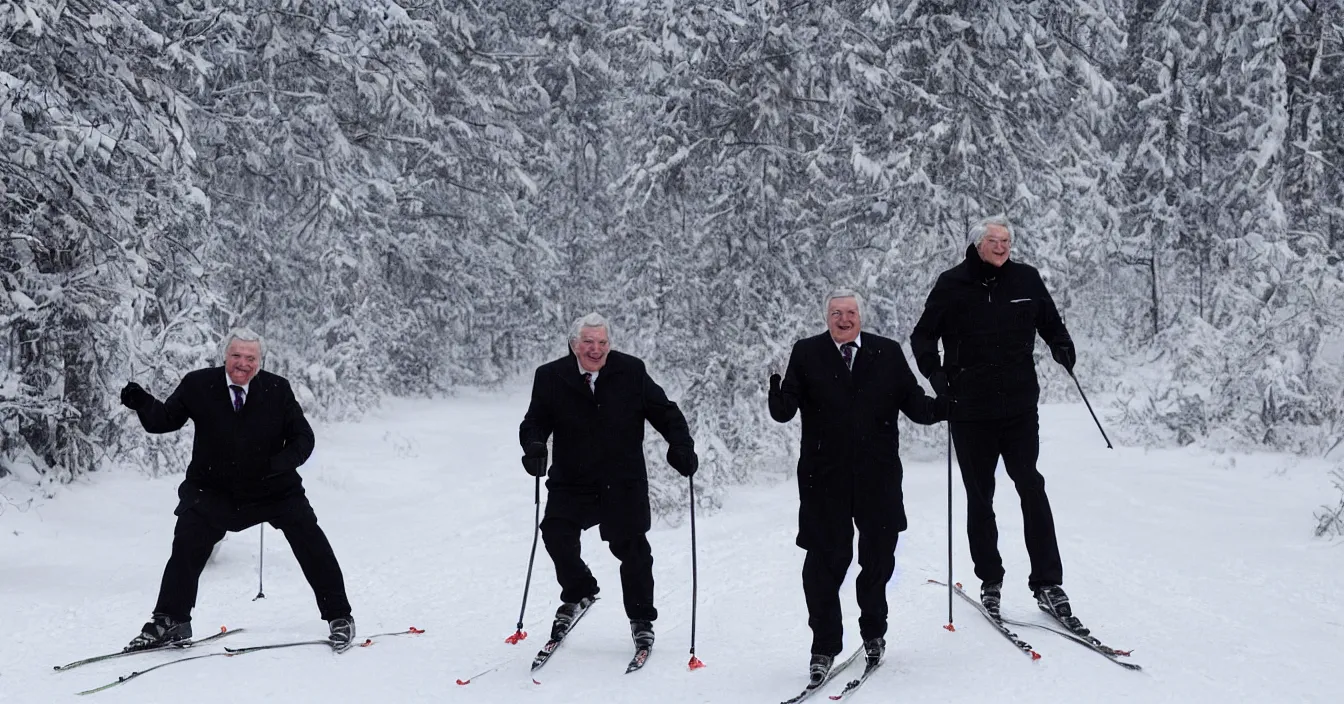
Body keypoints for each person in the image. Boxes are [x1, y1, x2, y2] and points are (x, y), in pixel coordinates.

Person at [119, 328, 355, 652]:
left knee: (309, 538)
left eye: (250, 358)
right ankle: (171, 620)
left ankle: (339, 616)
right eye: (236, 356)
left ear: (259, 362)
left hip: (273, 489)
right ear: (225, 356)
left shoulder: (277, 390)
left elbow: (304, 439)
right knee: (187, 539)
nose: (242, 364)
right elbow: (164, 420)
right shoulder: (198, 384)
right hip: (213, 488)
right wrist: (142, 402)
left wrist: (275, 465)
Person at [909, 215, 1087, 634]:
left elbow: (1051, 323)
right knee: (980, 495)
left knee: (1031, 486)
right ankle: (991, 578)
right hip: (970, 410)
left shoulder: (1026, 279)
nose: (1002, 246)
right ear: (977, 244)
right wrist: (938, 381)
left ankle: (1047, 583)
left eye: (1007, 240)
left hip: (1020, 406)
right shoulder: (952, 284)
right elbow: (922, 338)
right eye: (994, 240)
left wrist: (1063, 347)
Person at [769, 290, 948, 685]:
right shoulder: (807, 352)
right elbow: (785, 411)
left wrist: (947, 404)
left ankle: (874, 634)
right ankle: (824, 647)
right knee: (823, 566)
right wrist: (775, 391)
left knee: (878, 563)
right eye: (836, 313)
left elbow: (916, 406)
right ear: (827, 317)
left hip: (878, 477)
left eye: (850, 313)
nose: (844, 320)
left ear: (861, 317)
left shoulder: (887, 353)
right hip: (823, 480)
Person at [518, 313, 698, 657]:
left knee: (633, 552)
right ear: (574, 345)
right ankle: (579, 589)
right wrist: (534, 447)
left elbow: (666, 413)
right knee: (556, 532)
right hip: (573, 479)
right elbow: (535, 422)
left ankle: (642, 620)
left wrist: (680, 446)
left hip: (622, 480)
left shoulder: (631, 371)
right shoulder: (551, 376)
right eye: (588, 342)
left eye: (602, 342)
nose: (596, 349)